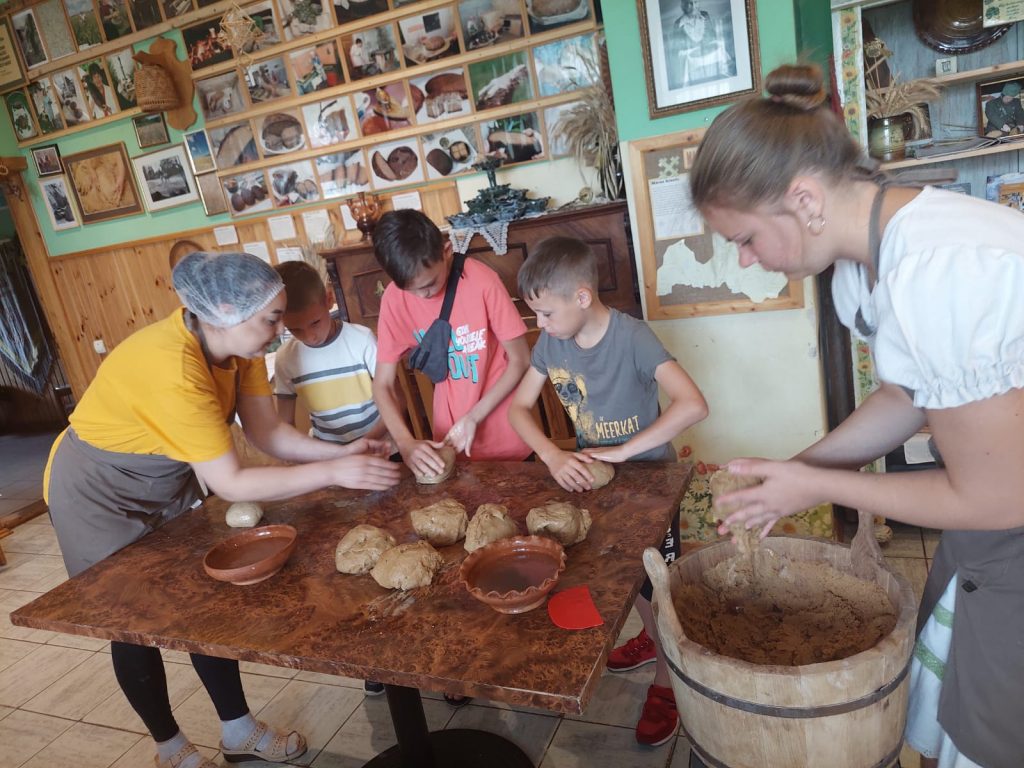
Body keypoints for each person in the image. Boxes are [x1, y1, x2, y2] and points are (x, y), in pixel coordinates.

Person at [690, 63, 1024, 768]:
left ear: (804, 199)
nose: (746, 261)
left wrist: (818, 486)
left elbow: (996, 498)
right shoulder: (867, 262)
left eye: (745, 238)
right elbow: (907, 396)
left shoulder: (941, 271)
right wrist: (797, 471)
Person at [43, 251, 400, 768]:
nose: (279, 332)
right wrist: (334, 473)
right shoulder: (172, 367)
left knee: (201, 602)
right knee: (127, 619)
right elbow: (229, 480)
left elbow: (267, 432)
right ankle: (170, 747)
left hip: (167, 477)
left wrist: (339, 454)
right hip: (98, 490)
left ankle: (238, 730)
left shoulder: (242, 347)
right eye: (272, 319)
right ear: (225, 312)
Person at [507, 236, 708, 746]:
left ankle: (668, 682)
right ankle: (651, 641)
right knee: (623, 578)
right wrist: (552, 455)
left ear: (581, 297)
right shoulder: (552, 344)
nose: (540, 325)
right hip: (598, 487)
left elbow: (693, 404)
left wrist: (624, 450)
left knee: (657, 587)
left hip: (652, 488)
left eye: (545, 313)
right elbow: (518, 409)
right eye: (535, 315)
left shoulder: (632, 337)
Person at [670, 0, 733, 87]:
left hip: (711, 63)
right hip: (693, 69)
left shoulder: (705, 15)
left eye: (695, 2)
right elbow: (676, 51)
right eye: (689, 3)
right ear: (683, 5)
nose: (693, 6)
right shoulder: (678, 24)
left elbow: (713, 36)